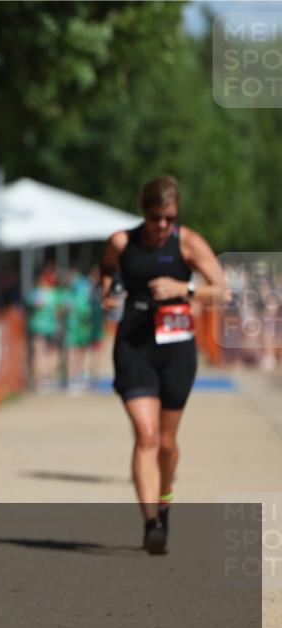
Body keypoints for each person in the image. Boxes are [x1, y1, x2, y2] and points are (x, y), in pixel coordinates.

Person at [99, 176, 227, 555]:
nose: (163, 226)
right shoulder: (123, 242)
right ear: (144, 213)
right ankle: (151, 522)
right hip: (134, 345)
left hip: (175, 349)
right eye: (156, 218)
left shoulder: (187, 242)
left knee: (167, 444)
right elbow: (106, 270)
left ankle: (165, 498)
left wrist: (182, 289)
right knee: (146, 435)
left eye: (170, 218)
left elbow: (222, 291)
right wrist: (106, 291)